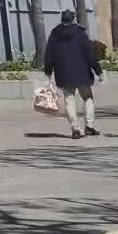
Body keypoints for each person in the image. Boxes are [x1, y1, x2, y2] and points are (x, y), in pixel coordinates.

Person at [43, 9, 102, 139]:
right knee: (87, 97)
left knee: (69, 99)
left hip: (63, 72)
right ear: (73, 19)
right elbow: (90, 54)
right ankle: (89, 126)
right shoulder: (80, 34)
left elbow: (49, 55)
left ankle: (75, 128)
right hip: (82, 72)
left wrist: (48, 71)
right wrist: (98, 71)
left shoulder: (55, 34)